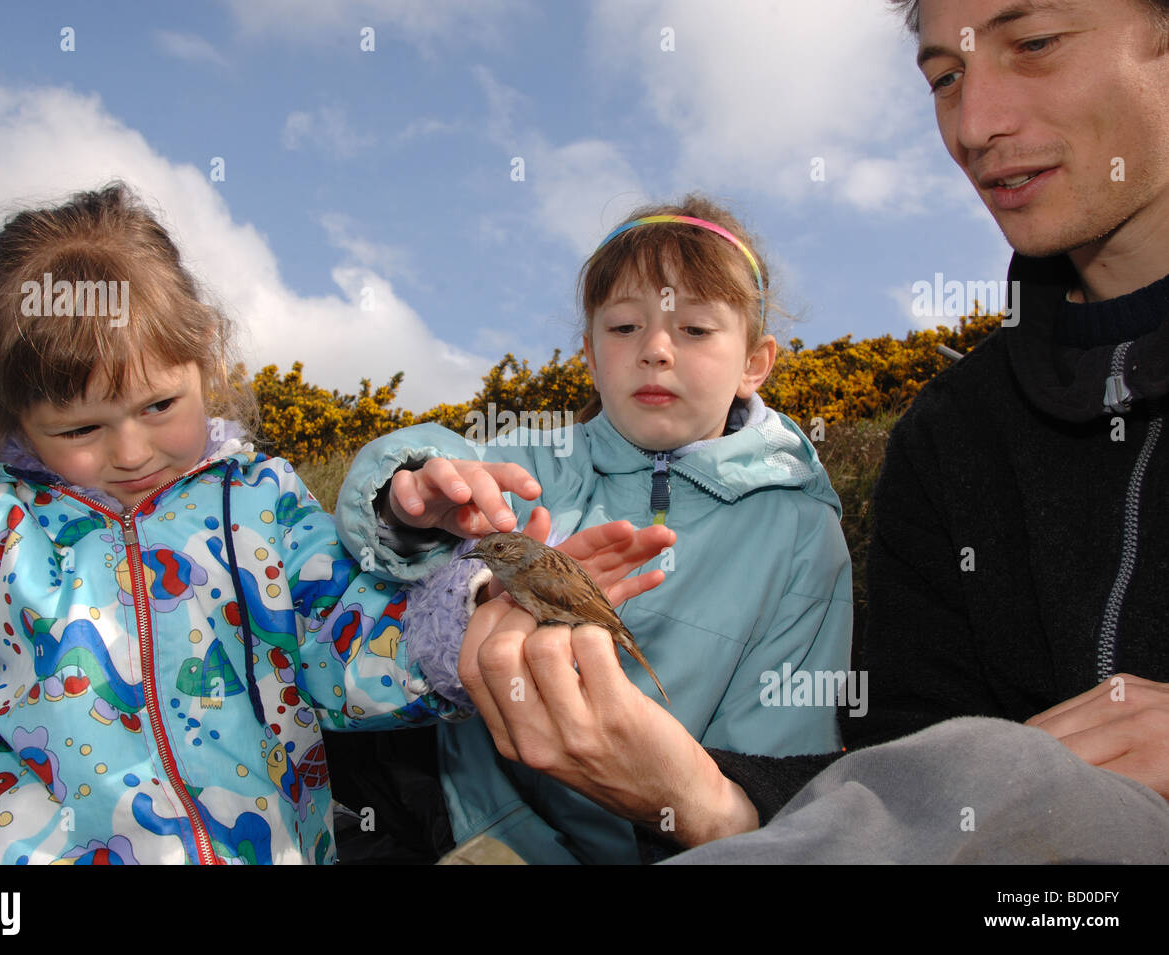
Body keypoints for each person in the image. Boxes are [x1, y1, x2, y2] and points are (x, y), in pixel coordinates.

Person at [449, 0, 1169, 864]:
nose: (974, 124)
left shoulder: (802, 520)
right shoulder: (946, 441)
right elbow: (896, 784)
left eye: (1037, 44)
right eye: (944, 78)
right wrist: (702, 797)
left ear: (758, 358)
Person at [0, 183, 664, 865]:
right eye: (80, 429)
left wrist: (471, 619)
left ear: (203, 356)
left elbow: (344, 650)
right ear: (15, 414)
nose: (131, 449)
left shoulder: (262, 506)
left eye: (158, 406)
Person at [335, 197, 853, 863]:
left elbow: (778, 767)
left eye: (695, 329)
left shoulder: (801, 532)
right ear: (589, 353)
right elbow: (432, 467)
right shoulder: (536, 461)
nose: (656, 350)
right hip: (474, 824)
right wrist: (405, 496)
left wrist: (694, 806)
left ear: (755, 362)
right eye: (625, 326)